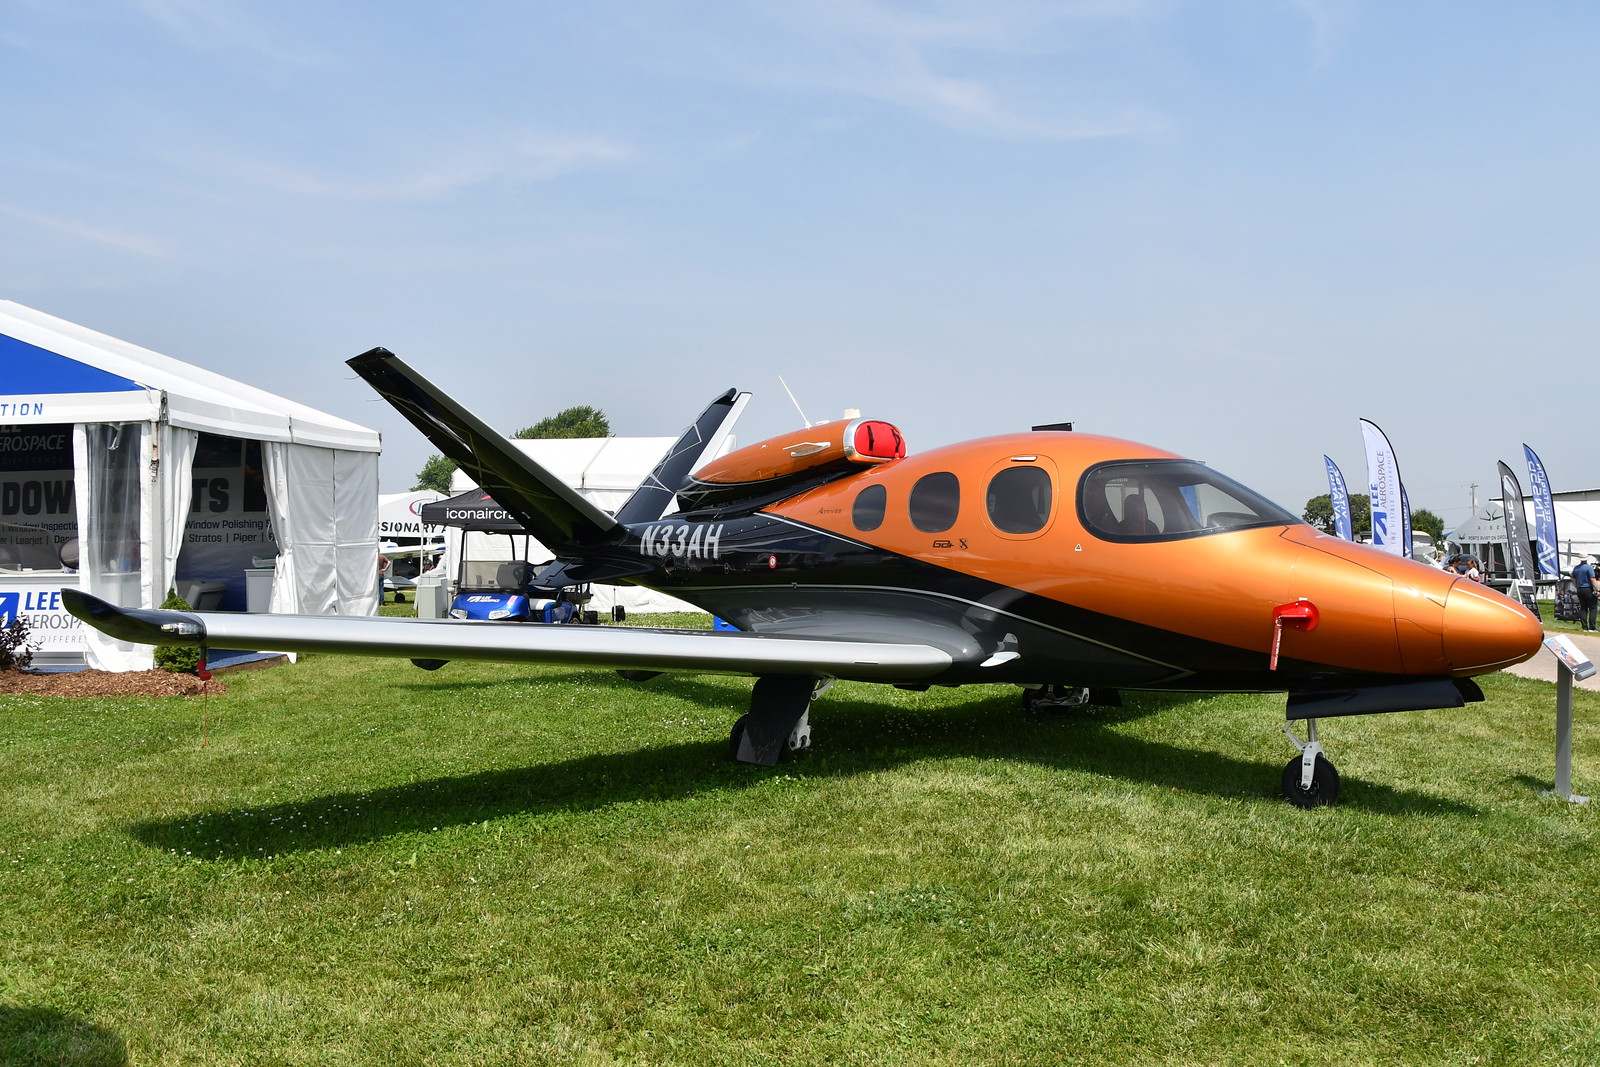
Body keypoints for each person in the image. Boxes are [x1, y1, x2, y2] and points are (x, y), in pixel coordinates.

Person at [1573, 556, 1598, 631]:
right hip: (1588, 588)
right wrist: (1598, 589)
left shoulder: (1576, 568)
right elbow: (1592, 579)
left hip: (1580, 589)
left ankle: (1584, 627)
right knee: (1593, 608)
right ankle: (1592, 627)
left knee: (1583, 608)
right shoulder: (1589, 568)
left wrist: (1577, 587)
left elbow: (1574, 579)